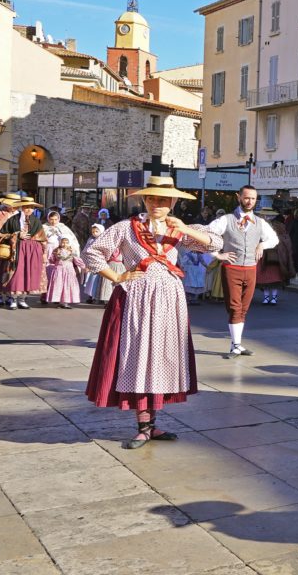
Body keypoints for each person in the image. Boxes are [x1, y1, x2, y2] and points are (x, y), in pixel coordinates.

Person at [83, 176, 222, 449]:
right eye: (152, 199)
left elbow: (214, 245)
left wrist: (185, 229)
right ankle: (142, 425)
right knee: (138, 359)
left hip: (169, 300)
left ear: (172, 203)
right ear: (145, 200)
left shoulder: (179, 230)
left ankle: (152, 423)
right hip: (136, 298)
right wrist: (117, 276)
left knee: (160, 360)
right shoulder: (126, 227)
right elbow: (92, 252)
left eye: (163, 200)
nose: (157, 204)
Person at [207, 185, 279, 358]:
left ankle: (236, 344)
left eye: (253, 198)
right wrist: (218, 255)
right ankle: (236, 346)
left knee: (244, 308)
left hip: (251, 268)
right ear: (239, 197)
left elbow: (274, 239)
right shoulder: (226, 219)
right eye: (246, 198)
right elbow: (208, 235)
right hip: (232, 268)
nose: (250, 201)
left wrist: (262, 244)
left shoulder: (260, 222)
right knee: (234, 307)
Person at [0, 195, 45, 310]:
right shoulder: (13, 220)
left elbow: (42, 238)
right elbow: (1, 234)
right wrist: (16, 234)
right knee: (15, 274)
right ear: (22, 207)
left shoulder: (36, 221)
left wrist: (43, 252)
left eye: (31, 207)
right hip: (16, 250)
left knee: (28, 274)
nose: (29, 209)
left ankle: (22, 299)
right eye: (26, 207)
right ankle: (12, 298)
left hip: (31, 251)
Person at [254, 207, 296, 305]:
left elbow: (285, 239)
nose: (267, 217)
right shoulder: (258, 226)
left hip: (276, 255)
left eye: (269, 215)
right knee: (264, 277)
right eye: (265, 215)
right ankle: (267, 297)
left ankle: (273, 297)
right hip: (263, 255)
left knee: (275, 278)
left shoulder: (279, 226)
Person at [44, 237, 82, 309]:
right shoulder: (56, 250)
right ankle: (59, 301)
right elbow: (51, 260)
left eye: (66, 243)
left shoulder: (72, 251)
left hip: (69, 270)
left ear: (69, 243)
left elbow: (77, 260)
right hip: (59, 270)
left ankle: (65, 302)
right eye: (63, 242)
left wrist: (83, 267)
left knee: (67, 285)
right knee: (59, 285)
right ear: (60, 243)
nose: (64, 244)